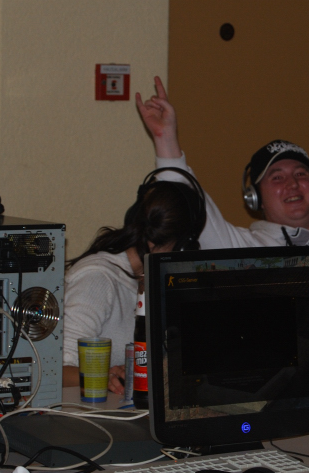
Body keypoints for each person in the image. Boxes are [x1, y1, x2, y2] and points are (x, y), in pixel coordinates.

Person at [135, 76, 309, 291]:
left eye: (301, 173)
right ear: (255, 198)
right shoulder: (253, 250)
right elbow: (190, 207)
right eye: (276, 178)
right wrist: (165, 139)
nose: (292, 184)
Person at [61, 168, 206, 393]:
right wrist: (105, 376)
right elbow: (58, 369)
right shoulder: (97, 278)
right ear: (183, 246)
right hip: (91, 409)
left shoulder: (155, 281)